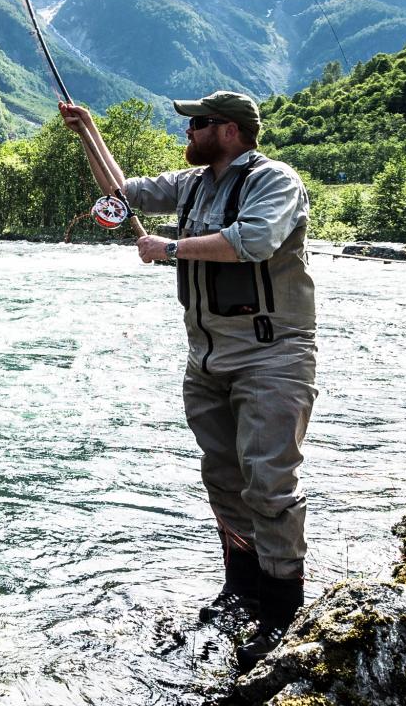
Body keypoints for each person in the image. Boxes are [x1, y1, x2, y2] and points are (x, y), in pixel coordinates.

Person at [59, 91, 315, 664]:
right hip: (206, 359)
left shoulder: (275, 181)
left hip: (273, 356)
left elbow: (253, 241)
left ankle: (282, 607)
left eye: (196, 124)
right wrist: (88, 133)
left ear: (228, 131)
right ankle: (242, 588)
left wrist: (169, 247)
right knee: (223, 478)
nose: (188, 133)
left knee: (269, 482)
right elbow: (121, 197)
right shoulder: (193, 184)